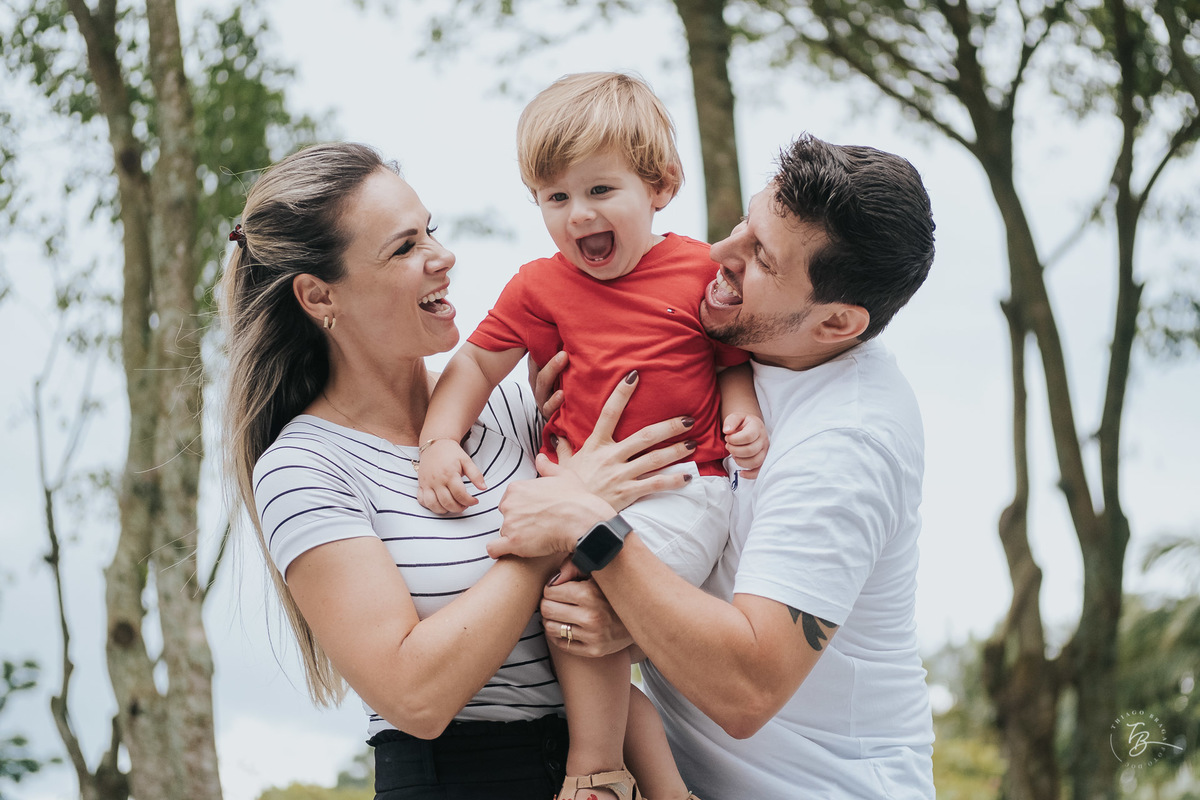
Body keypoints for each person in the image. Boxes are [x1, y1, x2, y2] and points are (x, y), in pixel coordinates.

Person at [219, 141, 697, 800]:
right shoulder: (305, 468)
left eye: (431, 232)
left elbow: (624, 578)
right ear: (319, 296)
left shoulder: (515, 402)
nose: (443, 259)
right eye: (404, 247)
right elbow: (415, 696)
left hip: (607, 771)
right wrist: (552, 527)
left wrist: (628, 622)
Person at [490, 133, 938, 799]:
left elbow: (748, 685)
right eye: (743, 226)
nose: (719, 255)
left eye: (761, 258)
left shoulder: (849, 440)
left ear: (837, 322)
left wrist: (596, 534)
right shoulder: (732, 339)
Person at [415, 72, 767, 800]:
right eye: (556, 197)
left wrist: (744, 415)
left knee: (580, 601)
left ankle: (594, 777)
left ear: (660, 185)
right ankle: (656, 787)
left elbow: (731, 360)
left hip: (679, 489)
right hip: (587, 498)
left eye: (600, 192)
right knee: (571, 632)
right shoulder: (540, 286)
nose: (578, 215)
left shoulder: (697, 270)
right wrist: (439, 442)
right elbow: (477, 364)